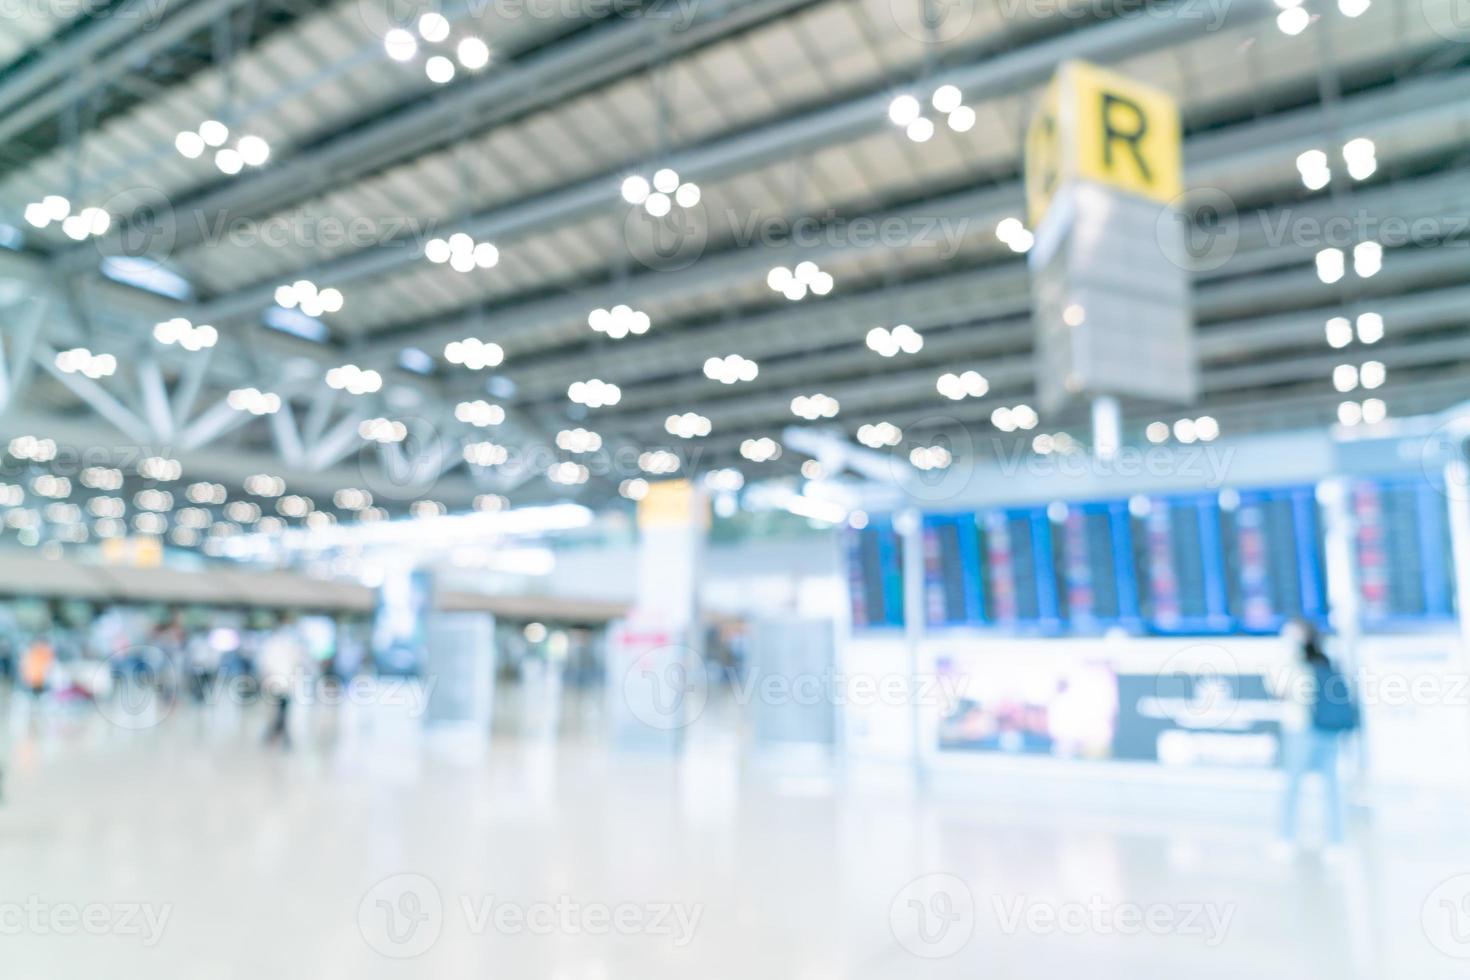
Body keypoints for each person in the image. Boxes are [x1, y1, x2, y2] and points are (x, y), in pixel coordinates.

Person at [1270, 620, 1359, 858]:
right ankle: (1334, 842)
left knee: (1298, 785)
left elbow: (1280, 691)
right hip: (1324, 730)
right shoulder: (1325, 661)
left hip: (1304, 731)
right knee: (1328, 786)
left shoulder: (1299, 664)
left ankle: (1287, 839)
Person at [258, 618, 305, 748]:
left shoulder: (291, 646)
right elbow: (266, 665)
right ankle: (274, 735)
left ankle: (278, 736)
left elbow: (297, 664)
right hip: (275, 684)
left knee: (282, 711)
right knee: (275, 712)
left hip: (286, 685)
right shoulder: (272, 645)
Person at [20, 634, 55, 701]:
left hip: (38, 679)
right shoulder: (32, 651)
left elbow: (49, 665)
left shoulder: (44, 651)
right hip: (34, 679)